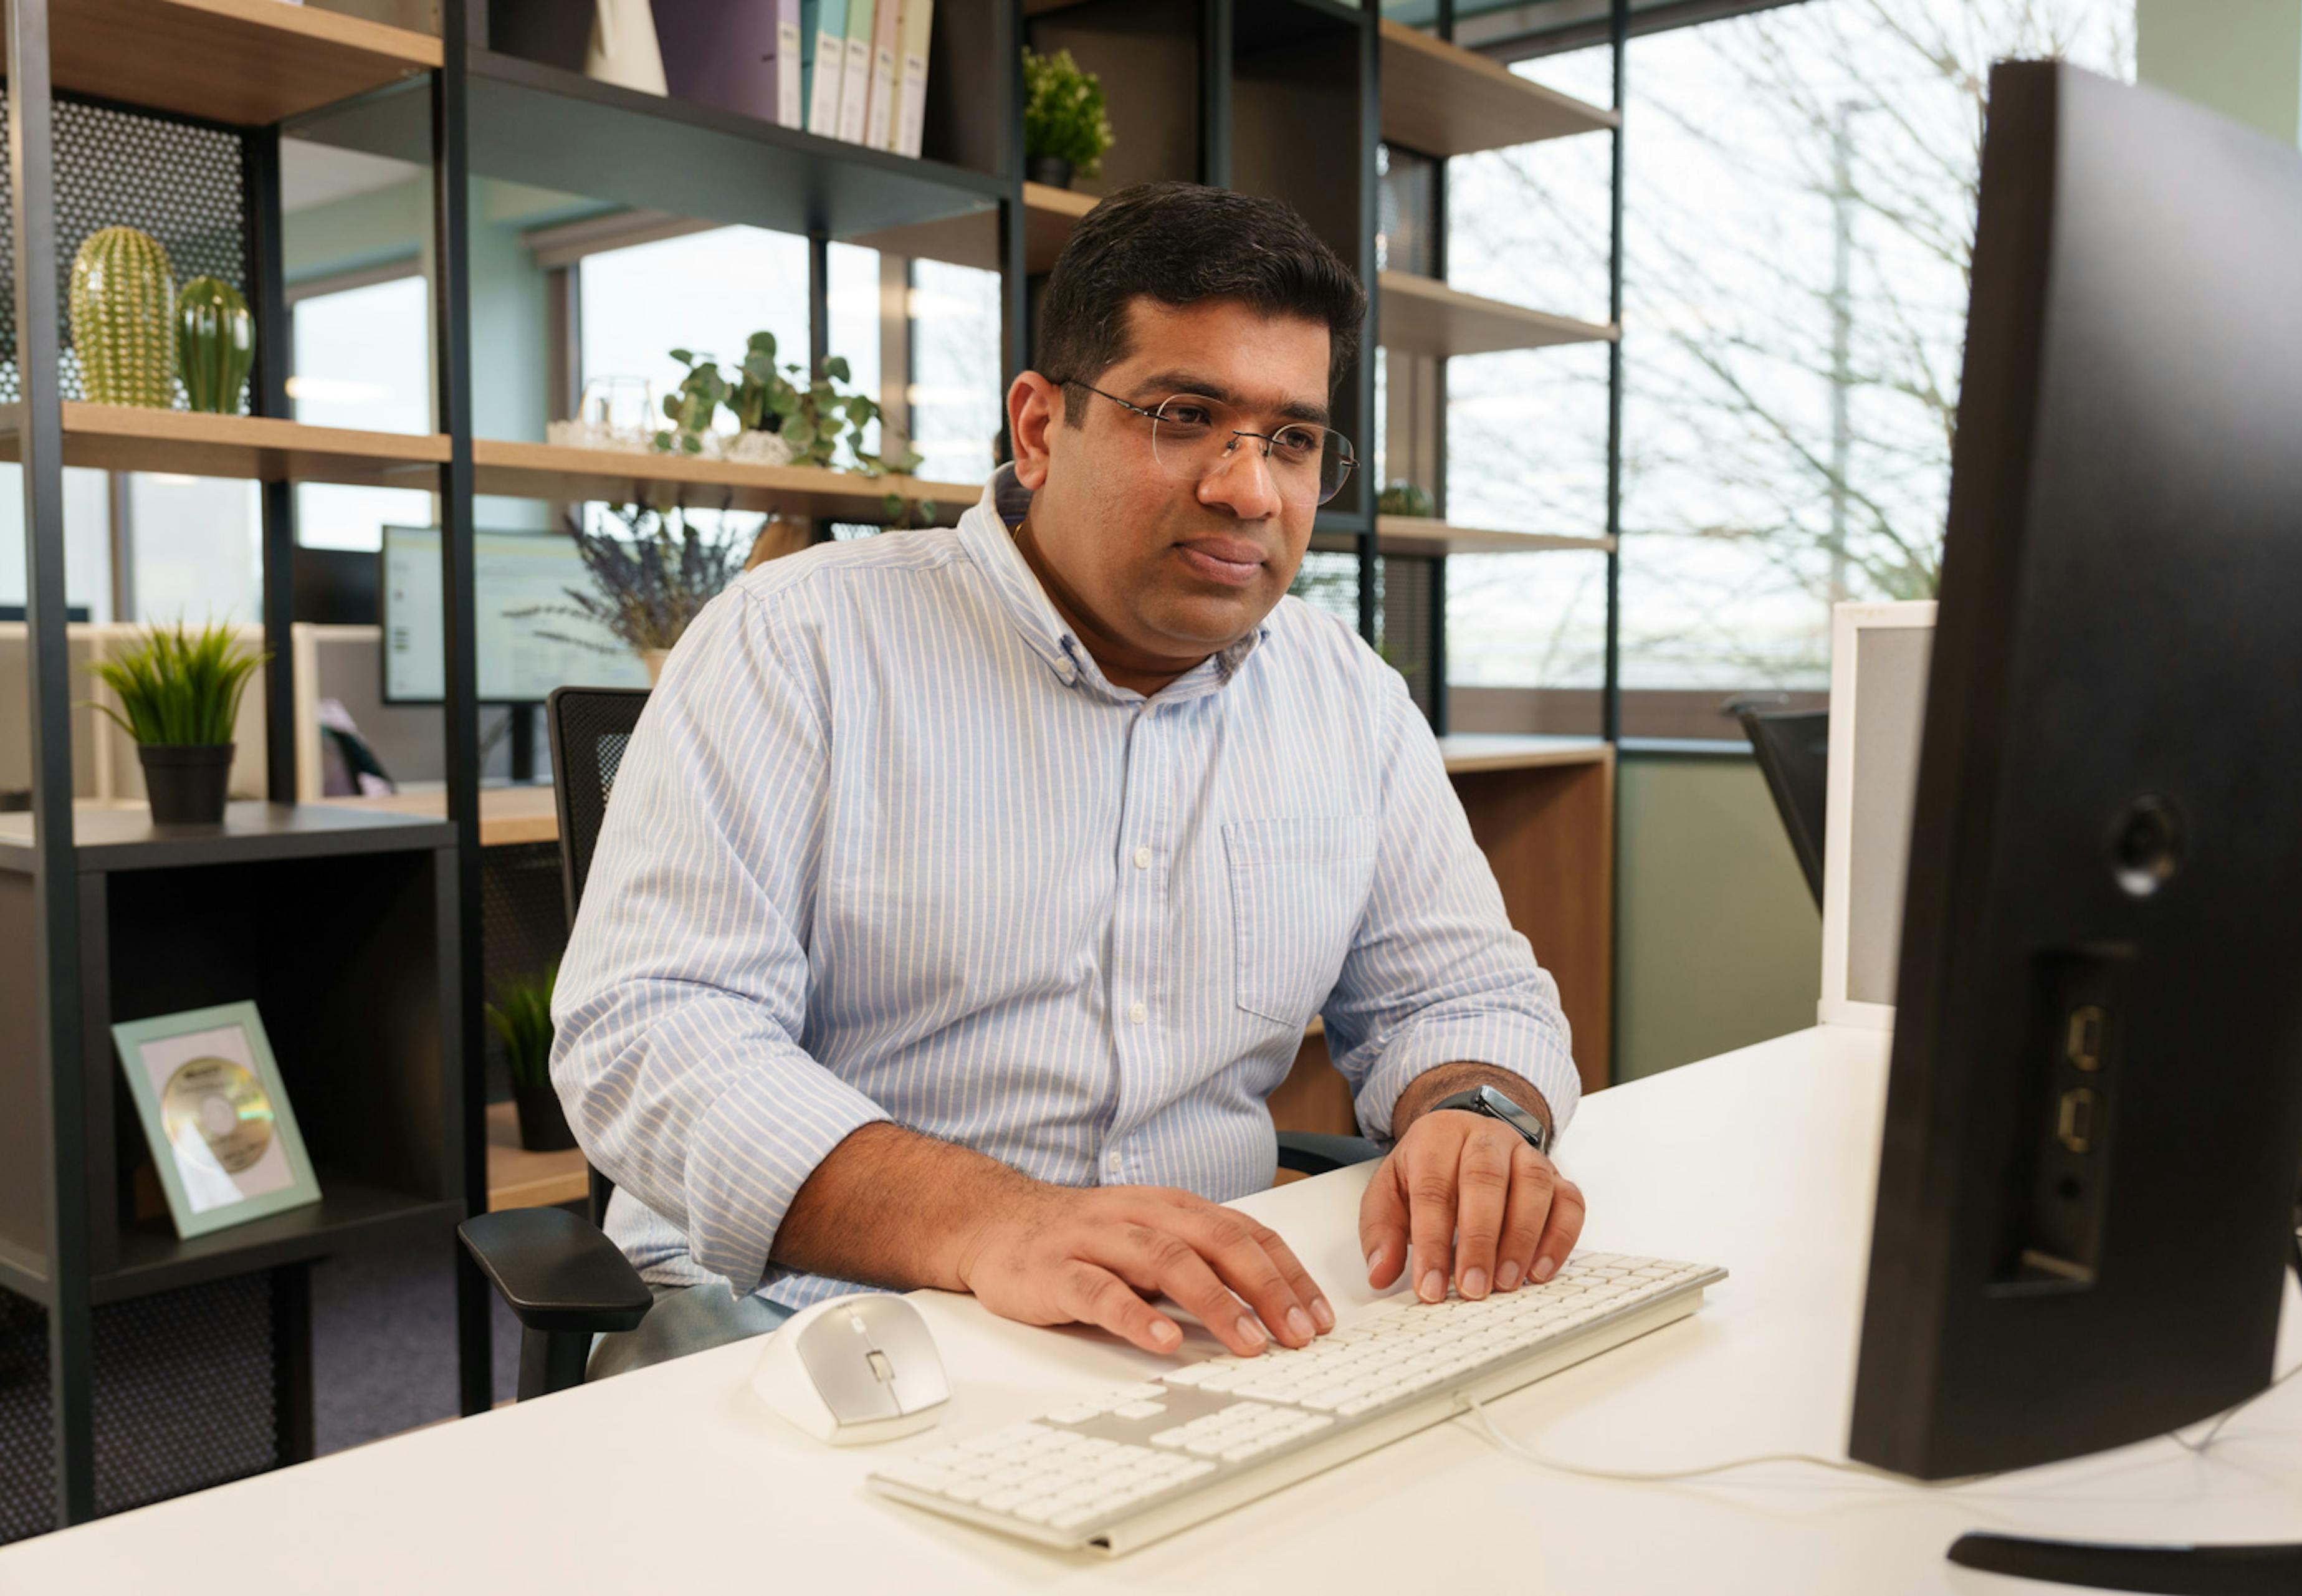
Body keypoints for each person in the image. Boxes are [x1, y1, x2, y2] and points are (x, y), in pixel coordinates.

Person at [553, 179, 1587, 1376]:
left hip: (1196, 1331)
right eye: (1186, 414)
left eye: (1293, 439)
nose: (1249, 489)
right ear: (1040, 430)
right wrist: (995, 1220)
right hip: (816, 1326)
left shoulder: (1340, 691)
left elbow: (1459, 993)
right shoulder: (798, 641)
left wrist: (1476, 1117)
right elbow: (652, 1034)